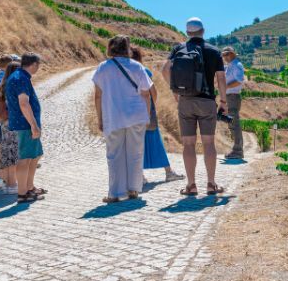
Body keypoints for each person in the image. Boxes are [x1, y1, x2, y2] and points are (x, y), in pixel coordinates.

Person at [162, 17, 227, 196]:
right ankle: (211, 184)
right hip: (207, 102)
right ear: (203, 31)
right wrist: (223, 102)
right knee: (208, 143)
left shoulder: (178, 49)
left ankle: (191, 186)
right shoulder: (214, 51)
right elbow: (221, 78)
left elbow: (165, 70)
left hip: (186, 101)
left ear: (187, 33)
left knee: (188, 144)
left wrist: (175, 92)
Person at [92, 36, 153, 203]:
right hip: (136, 115)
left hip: (113, 115)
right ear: (127, 48)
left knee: (114, 154)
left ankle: (115, 193)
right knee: (135, 153)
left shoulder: (103, 68)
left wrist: (100, 118)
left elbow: (98, 96)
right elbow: (146, 93)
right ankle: (133, 189)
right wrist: (146, 115)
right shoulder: (137, 66)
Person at [130, 46, 184, 184]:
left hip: (132, 113)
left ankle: (140, 176)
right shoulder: (143, 71)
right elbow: (153, 92)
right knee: (156, 142)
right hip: (146, 112)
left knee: (136, 145)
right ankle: (168, 172)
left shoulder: (126, 72)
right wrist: (151, 107)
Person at [4, 53, 45, 203]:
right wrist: (33, 125)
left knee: (31, 157)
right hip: (24, 126)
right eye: (38, 65)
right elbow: (23, 103)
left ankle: (28, 188)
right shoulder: (21, 78)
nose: (38, 68)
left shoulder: (18, 76)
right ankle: (22, 194)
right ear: (33, 64)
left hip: (21, 124)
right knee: (24, 160)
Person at [0, 61, 21, 195]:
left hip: (4, 123)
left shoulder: (3, 86)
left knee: (6, 152)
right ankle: (12, 184)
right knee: (13, 154)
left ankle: (3, 182)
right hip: (13, 123)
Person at [0, 54, 13, 191]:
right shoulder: (3, 79)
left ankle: (3, 173)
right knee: (4, 146)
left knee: (2, 145)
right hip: (3, 118)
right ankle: (4, 175)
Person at [222, 46, 245, 160]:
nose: (224, 57)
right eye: (223, 55)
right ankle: (236, 149)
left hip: (233, 97)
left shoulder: (237, 65)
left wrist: (225, 86)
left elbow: (239, 81)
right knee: (232, 124)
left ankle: (238, 151)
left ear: (232, 54)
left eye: (226, 55)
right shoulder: (230, 66)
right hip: (229, 97)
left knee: (234, 124)